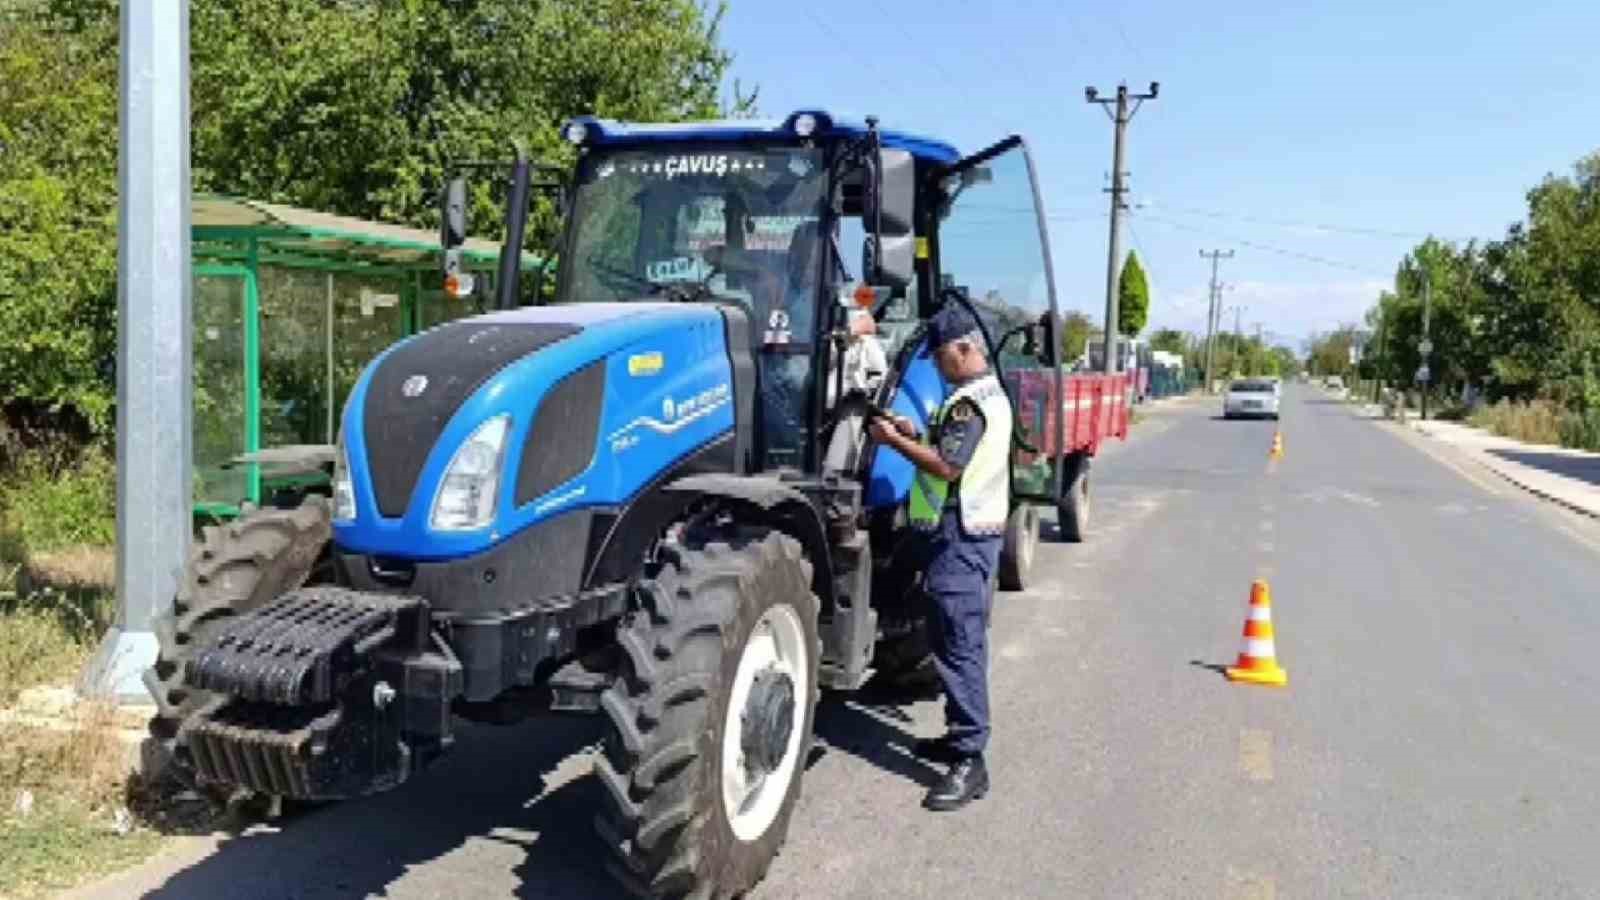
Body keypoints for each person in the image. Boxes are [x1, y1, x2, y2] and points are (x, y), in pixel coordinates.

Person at [868, 304, 1013, 811]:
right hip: (957, 533)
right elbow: (948, 450)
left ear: (964, 348)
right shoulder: (979, 396)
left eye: (940, 356)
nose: (936, 365)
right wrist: (912, 433)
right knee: (948, 635)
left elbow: (948, 467)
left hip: (962, 537)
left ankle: (971, 759)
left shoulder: (969, 405)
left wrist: (892, 442)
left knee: (959, 644)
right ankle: (957, 739)